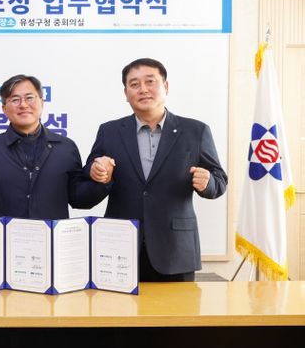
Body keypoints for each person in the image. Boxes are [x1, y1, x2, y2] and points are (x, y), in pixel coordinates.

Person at [85, 57, 227, 282]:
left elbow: (220, 181)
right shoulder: (109, 131)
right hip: (121, 248)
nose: (143, 89)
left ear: (166, 86)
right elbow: (88, 175)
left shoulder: (195, 131)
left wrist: (208, 182)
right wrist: (97, 172)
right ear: (126, 93)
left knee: (178, 306)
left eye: (150, 81)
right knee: (117, 305)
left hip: (176, 249)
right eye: (134, 84)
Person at [0, 74, 103, 219]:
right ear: (4, 109)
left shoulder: (66, 148)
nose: (23, 105)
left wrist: (101, 179)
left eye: (29, 98)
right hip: (5, 238)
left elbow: (79, 199)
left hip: (53, 237)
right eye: (15, 100)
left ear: (42, 102)